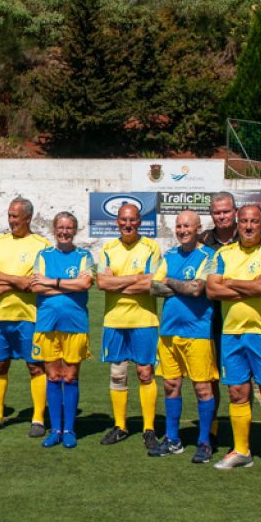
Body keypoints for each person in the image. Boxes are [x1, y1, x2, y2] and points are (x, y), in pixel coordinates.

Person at [206, 203, 261, 475]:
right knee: (236, 392)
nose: (249, 226)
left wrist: (230, 282)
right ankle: (242, 450)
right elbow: (211, 289)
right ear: (237, 224)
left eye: (254, 221)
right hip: (231, 333)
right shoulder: (224, 254)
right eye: (244, 221)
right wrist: (249, 287)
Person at [95, 202, 168, 447]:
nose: (128, 224)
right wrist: (136, 278)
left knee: (145, 373)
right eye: (123, 220)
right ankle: (120, 426)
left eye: (133, 220)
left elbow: (152, 283)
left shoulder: (151, 247)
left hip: (144, 320)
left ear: (139, 222)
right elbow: (102, 284)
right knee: (118, 374)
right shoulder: (108, 248)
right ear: (117, 221)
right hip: (114, 320)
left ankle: (148, 428)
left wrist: (120, 282)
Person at [0, 198, 51, 437]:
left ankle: (38, 419)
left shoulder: (42, 245)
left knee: (35, 367)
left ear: (28, 218)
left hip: (29, 317)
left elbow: (36, 282)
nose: (11, 221)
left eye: (15, 216)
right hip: (0, 316)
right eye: (9, 215)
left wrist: (5, 286)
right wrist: (17, 281)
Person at [150, 211, 218, 464]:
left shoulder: (209, 256)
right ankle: (172, 439)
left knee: (202, 388)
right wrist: (182, 285)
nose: (182, 230)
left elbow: (198, 288)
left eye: (187, 226)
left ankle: (204, 441)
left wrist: (170, 282)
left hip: (197, 332)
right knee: (170, 385)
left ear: (199, 228)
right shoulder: (169, 255)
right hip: (168, 332)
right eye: (178, 226)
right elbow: (154, 287)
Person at [29, 212, 95, 449]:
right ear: (54, 229)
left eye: (69, 228)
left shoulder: (84, 256)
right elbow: (36, 285)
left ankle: (69, 429)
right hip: (47, 324)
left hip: (75, 325)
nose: (64, 232)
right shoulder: (43, 255)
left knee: (71, 376)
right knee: (53, 376)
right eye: (60, 227)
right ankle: (55, 429)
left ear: (74, 230)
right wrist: (69, 286)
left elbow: (85, 284)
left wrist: (52, 282)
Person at [199, 191, 237, 437]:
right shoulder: (202, 240)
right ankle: (210, 433)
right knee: (209, 379)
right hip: (207, 319)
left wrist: (222, 286)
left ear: (235, 211)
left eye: (226, 211)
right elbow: (202, 284)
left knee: (238, 382)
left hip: (238, 319)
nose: (221, 216)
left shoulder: (247, 237)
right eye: (217, 212)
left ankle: (239, 436)